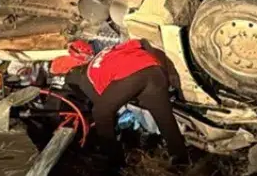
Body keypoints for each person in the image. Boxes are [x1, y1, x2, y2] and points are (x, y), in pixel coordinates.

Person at [54, 38, 190, 166]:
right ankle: (181, 162)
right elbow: (138, 43)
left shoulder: (85, 76)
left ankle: (113, 162)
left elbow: (104, 109)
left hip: (133, 76)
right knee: (164, 119)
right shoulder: (106, 52)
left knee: (100, 112)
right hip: (154, 69)